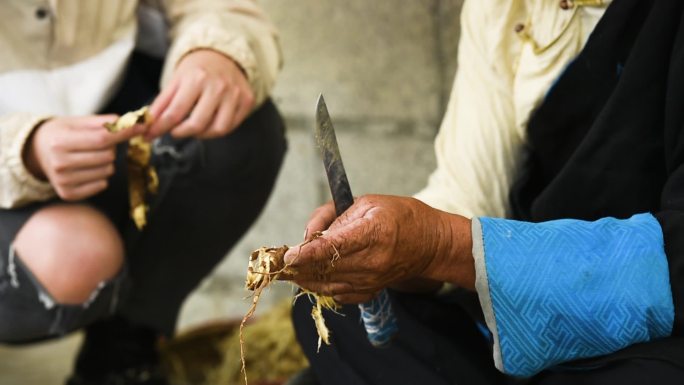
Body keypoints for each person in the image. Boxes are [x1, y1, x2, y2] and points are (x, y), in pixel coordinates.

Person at [284, 0, 684, 384]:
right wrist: (387, 248)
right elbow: (469, 193)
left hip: (654, 326)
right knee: (335, 315)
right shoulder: (504, 7)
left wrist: (437, 244)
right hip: (522, 306)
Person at [0, 1, 285, 384]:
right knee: (74, 255)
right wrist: (22, 149)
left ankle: (121, 353)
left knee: (236, 132)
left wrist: (215, 50)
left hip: (109, 125)